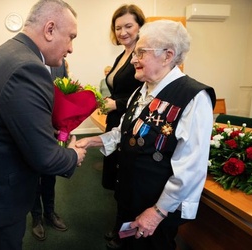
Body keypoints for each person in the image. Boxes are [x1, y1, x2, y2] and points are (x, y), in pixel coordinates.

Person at [0, 1, 85, 250]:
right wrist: (73, 155)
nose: (71, 48)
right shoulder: (28, 67)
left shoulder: (9, 53)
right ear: (50, 29)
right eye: (71, 38)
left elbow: (13, 122)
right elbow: (45, 158)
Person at [76, 20, 216, 250]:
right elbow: (123, 133)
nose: (133, 59)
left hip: (156, 207)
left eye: (141, 52)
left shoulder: (193, 97)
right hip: (130, 196)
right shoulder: (141, 91)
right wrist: (92, 140)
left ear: (168, 55)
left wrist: (158, 212)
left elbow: (190, 168)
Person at [101, 4, 146, 249]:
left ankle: (126, 232)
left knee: (128, 180)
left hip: (129, 122)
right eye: (118, 27)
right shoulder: (123, 54)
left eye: (128, 26)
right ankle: (122, 226)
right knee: (119, 179)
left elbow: (143, 92)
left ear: (140, 26)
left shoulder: (141, 53)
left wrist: (116, 103)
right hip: (116, 120)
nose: (122, 32)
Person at [30, 58, 69, 241]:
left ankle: (50, 213)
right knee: (31, 178)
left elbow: (65, 96)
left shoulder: (60, 64)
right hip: (29, 132)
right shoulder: (27, 61)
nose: (69, 48)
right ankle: (36, 217)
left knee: (49, 176)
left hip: (53, 132)